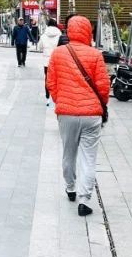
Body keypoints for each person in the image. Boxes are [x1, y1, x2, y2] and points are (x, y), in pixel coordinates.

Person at [47, 15, 109, 217]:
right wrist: (101, 105)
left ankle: (70, 187)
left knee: (68, 153)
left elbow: (51, 83)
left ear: (69, 31)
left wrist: (61, 100)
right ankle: (84, 200)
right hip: (91, 114)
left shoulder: (58, 53)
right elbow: (103, 86)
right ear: (88, 32)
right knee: (88, 158)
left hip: (66, 114)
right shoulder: (95, 55)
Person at [39, 19, 62, 102]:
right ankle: (56, 97)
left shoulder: (43, 35)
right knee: (57, 79)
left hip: (47, 61)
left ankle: (47, 97)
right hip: (57, 60)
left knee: (47, 79)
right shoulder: (59, 35)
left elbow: (40, 47)